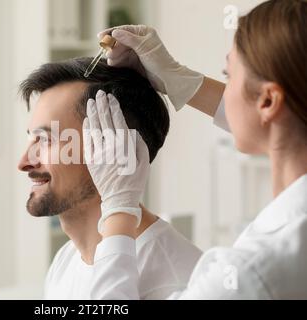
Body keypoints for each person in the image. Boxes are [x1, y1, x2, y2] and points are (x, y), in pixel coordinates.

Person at [85, 0, 307, 299]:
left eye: (228, 75)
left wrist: (117, 210)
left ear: (268, 101)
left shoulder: (253, 272)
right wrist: (179, 78)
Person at [17, 58, 202, 300]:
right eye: (32, 138)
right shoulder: (66, 261)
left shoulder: (180, 283)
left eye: (47, 140)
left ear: (116, 149)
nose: (24, 162)